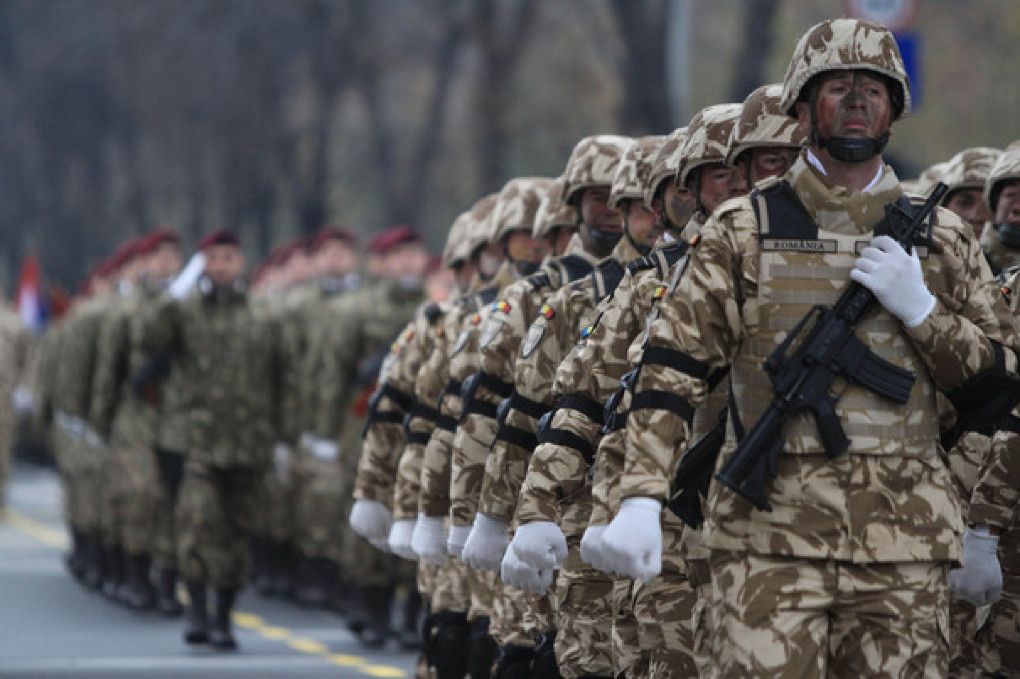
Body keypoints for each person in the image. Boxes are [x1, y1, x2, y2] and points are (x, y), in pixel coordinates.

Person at [601, 18, 1020, 677]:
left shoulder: (942, 240)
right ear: (801, 107)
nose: (858, 100)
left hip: (903, 551)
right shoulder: (744, 228)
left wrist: (926, 313)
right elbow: (673, 366)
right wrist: (640, 496)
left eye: (874, 90)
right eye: (838, 86)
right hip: (767, 543)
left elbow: (1002, 387)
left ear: (894, 109)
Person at [142, 229, 283, 650]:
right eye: (213, 259)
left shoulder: (262, 315)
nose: (222, 267)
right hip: (197, 443)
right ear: (202, 264)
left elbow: (281, 378)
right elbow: (147, 339)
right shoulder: (185, 314)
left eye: (229, 258)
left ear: (241, 263)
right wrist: (175, 294)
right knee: (197, 525)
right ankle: (198, 611)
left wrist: (287, 436)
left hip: (248, 443)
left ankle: (223, 616)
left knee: (237, 533)